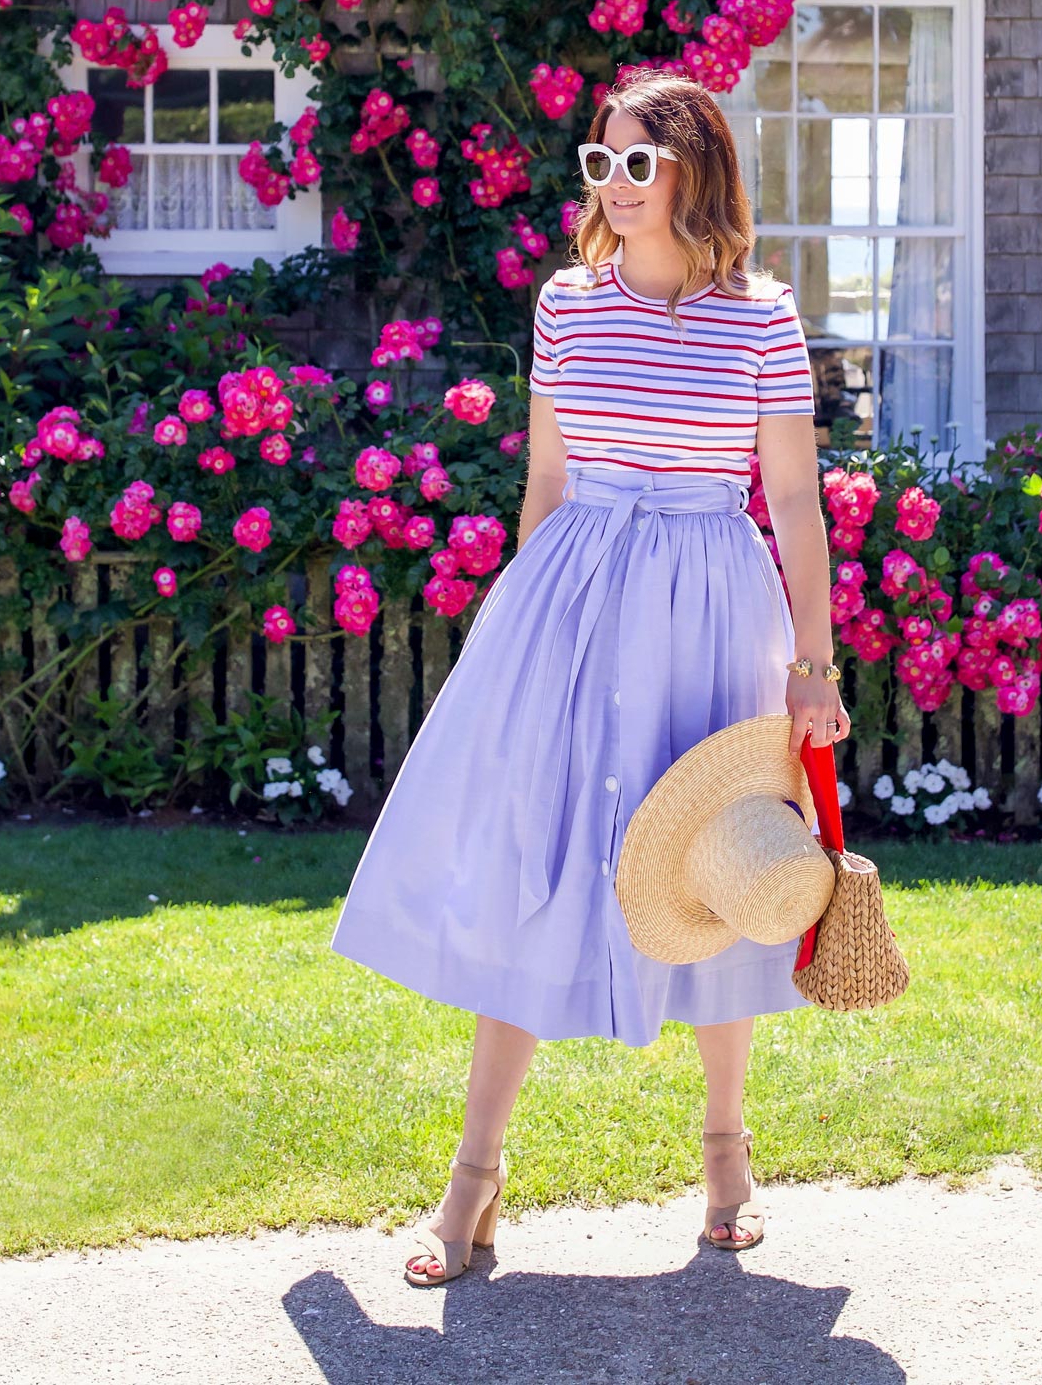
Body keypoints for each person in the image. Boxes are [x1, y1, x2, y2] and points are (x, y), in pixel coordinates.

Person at [329, 68, 851, 1283]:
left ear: (692, 173)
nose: (613, 187)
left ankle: (726, 1154)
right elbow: (548, 479)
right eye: (597, 162)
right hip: (571, 600)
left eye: (635, 163)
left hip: (715, 604)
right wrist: (521, 620)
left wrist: (810, 662)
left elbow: (790, 500)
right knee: (536, 859)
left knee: (721, 863)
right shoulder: (567, 306)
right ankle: (474, 1176)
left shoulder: (761, 318)